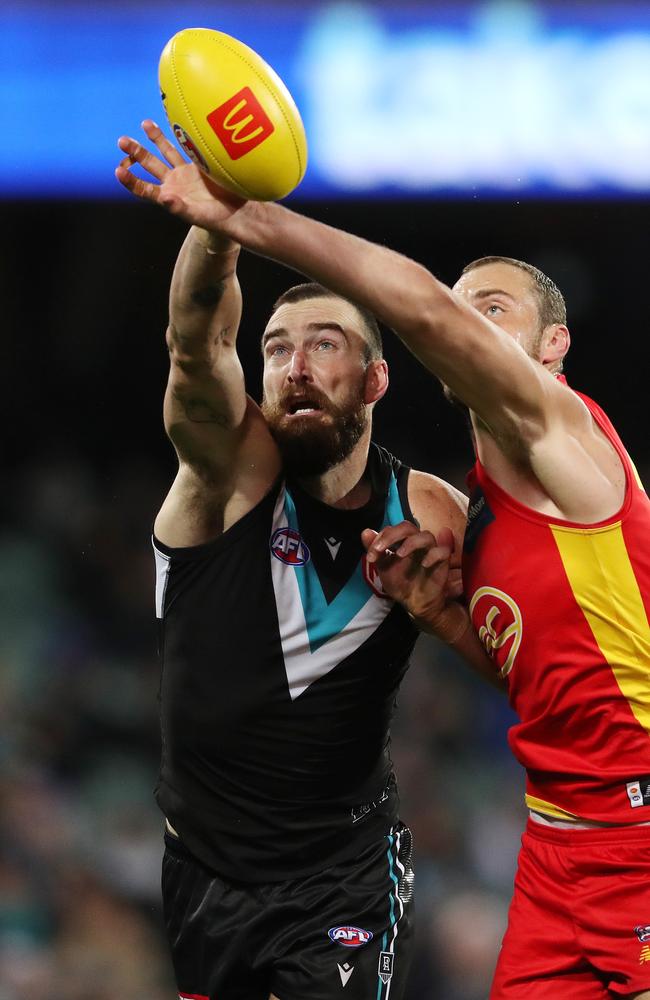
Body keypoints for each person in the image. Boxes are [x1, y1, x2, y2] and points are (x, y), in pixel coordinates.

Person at [116, 122, 650, 1000]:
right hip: (556, 841)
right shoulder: (480, 519)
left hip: (592, 833)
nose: (461, 322)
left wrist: (246, 213)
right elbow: (543, 680)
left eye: (494, 310)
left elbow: (420, 310)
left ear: (553, 347)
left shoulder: (555, 446)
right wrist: (439, 616)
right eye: (278, 348)